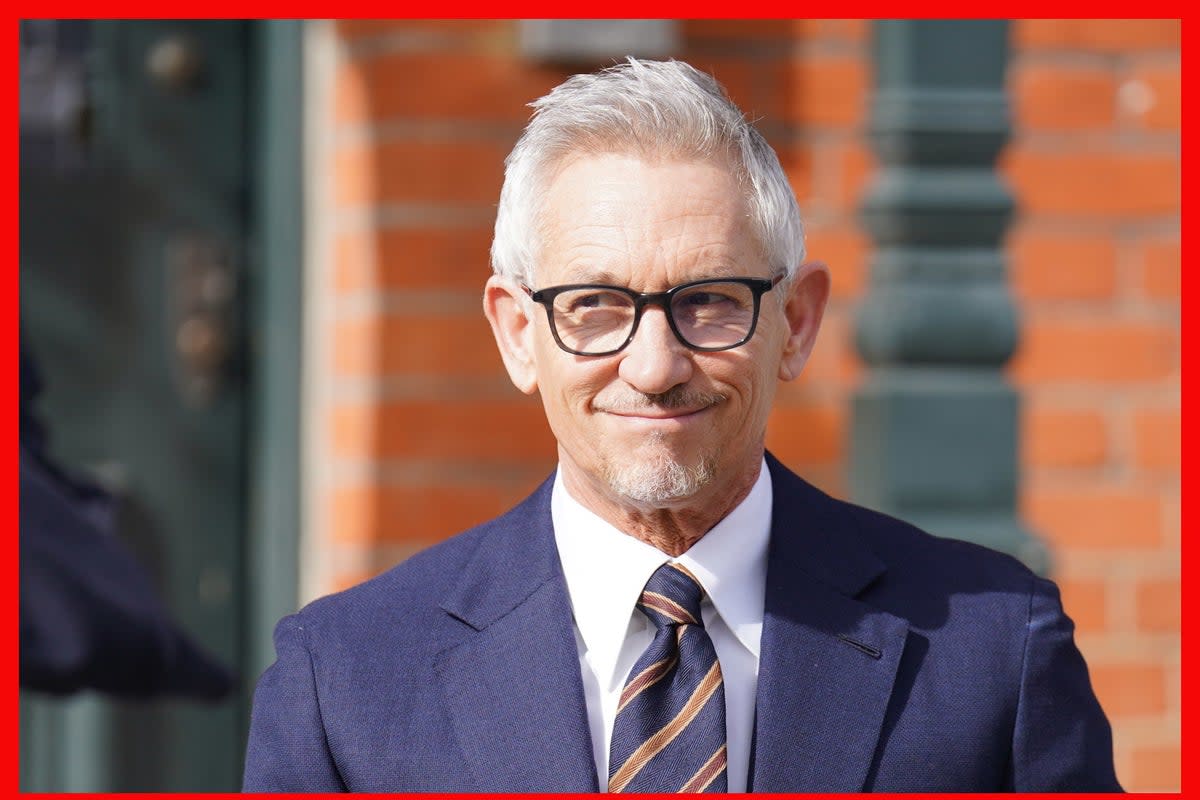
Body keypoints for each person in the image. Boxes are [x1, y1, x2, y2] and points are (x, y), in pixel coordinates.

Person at [243, 58, 1120, 792]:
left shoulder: (992, 651)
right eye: (592, 305)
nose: (654, 366)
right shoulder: (349, 681)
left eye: (707, 301)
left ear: (797, 324)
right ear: (518, 332)